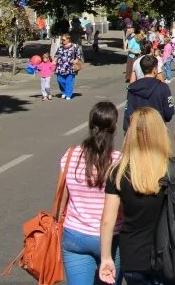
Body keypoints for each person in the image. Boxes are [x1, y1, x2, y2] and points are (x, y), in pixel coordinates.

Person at [99, 107, 175, 285]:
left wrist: (106, 258)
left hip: (133, 257)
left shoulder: (119, 172)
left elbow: (107, 221)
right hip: (170, 254)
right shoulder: (174, 167)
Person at [62, 101, 122, 285]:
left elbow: (64, 198)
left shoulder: (70, 156)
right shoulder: (119, 161)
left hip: (75, 235)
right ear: (113, 127)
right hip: (112, 237)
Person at [125, 56, 174, 130]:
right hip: (158, 128)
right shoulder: (163, 87)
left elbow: (128, 111)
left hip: (138, 128)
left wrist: (127, 129)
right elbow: (169, 111)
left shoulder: (132, 88)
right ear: (155, 69)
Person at [56, 34, 84, 100]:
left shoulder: (75, 46)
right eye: (62, 39)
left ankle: (68, 94)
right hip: (60, 67)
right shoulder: (60, 47)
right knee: (60, 80)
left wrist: (76, 60)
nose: (62, 41)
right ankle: (64, 92)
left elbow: (79, 54)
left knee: (69, 81)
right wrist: (54, 61)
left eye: (63, 40)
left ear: (68, 40)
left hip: (70, 67)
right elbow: (56, 55)